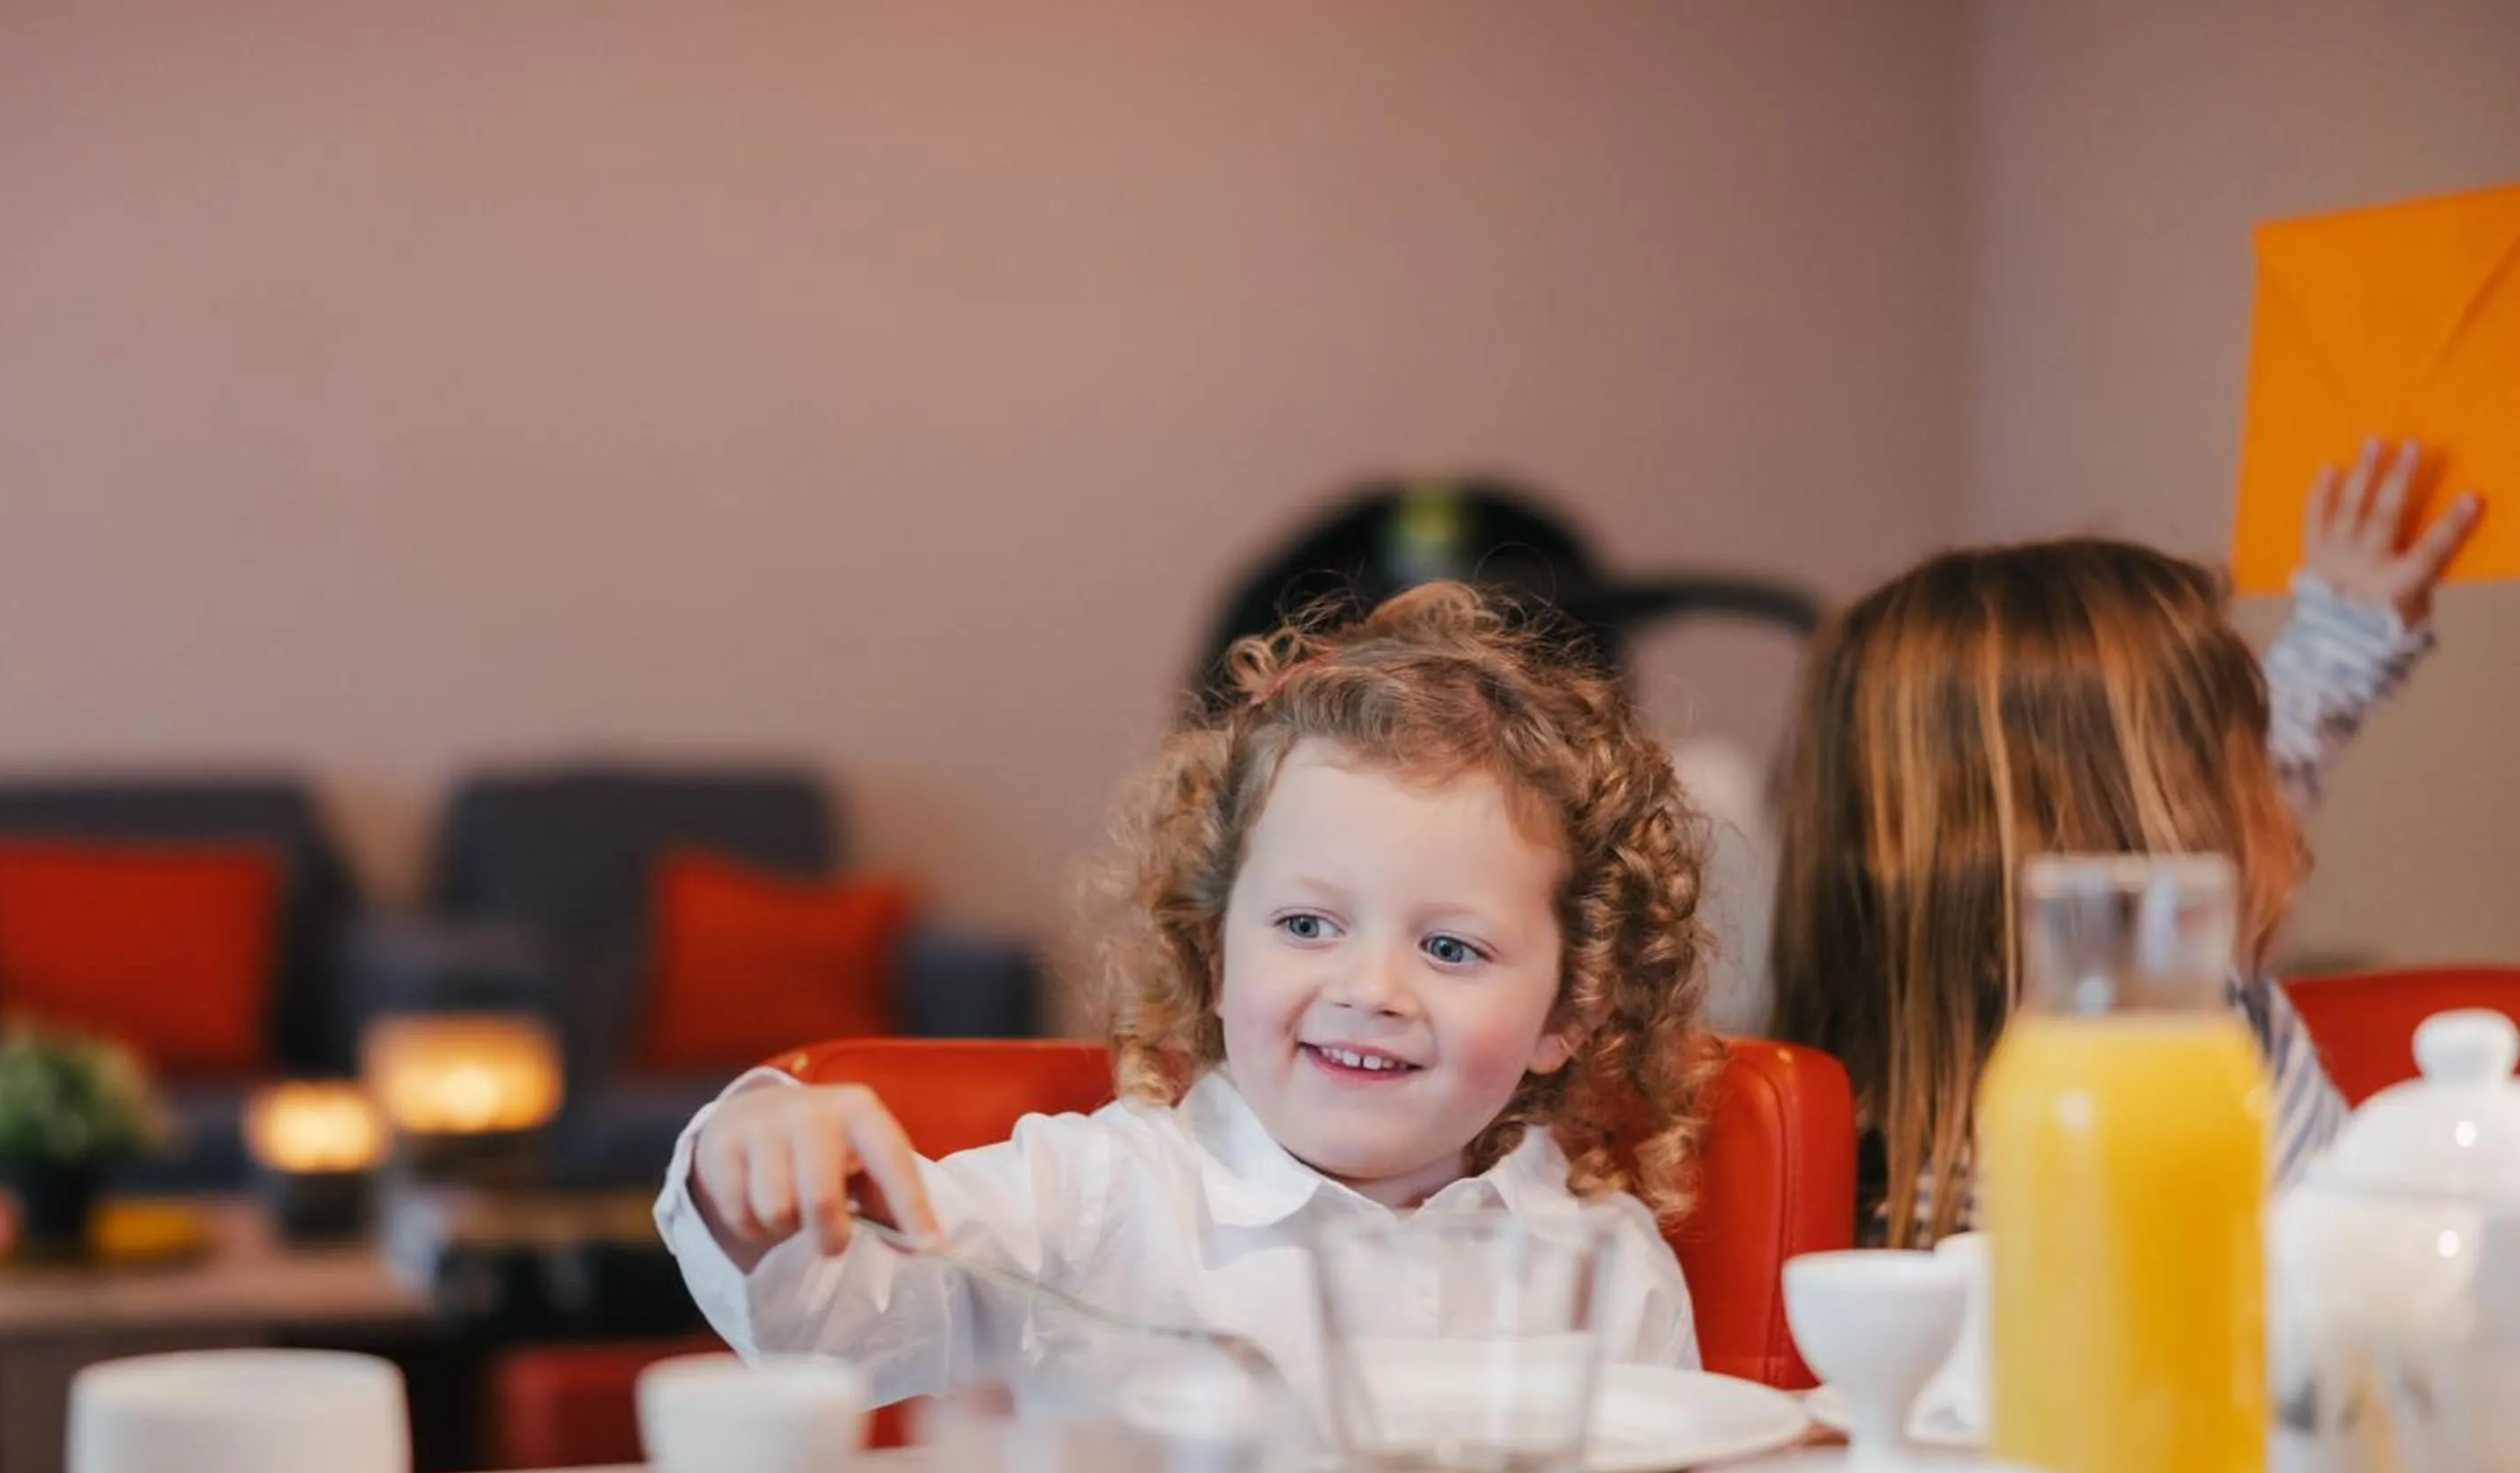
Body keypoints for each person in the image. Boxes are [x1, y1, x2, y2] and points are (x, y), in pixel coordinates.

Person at [651, 583, 1718, 1405]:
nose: (1370, 988)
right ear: (1215, 954)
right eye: (1307, 925)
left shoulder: (1602, 1260)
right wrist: (746, 1163)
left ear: (1568, 1012)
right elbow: (831, 1324)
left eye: (1449, 946)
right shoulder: (1095, 1200)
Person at [1769, 439, 2483, 1246]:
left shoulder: (2152, 968)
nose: (2280, 804)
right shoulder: (2024, 1188)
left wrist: (2348, 623)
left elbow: (2291, 730)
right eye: (2247, 765)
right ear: (2157, 864)